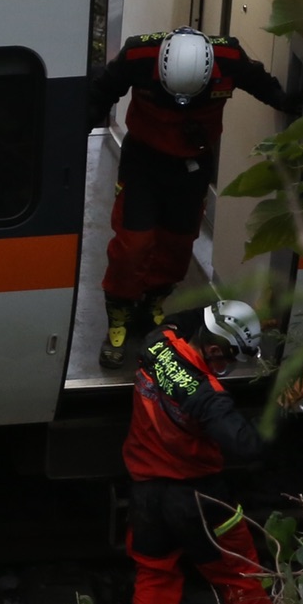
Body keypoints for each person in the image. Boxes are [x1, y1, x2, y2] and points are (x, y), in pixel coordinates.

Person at [87, 26, 288, 368]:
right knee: (132, 245)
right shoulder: (137, 55)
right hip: (143, 163)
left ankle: (153, 302)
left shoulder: (229, 58)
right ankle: (119, 318)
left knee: (178, 243)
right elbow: (101, 91)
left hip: (193, 167)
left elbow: (265, 85)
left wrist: (302, 108)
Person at [122, 298, 276, 604]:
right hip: (199, 499)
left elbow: (181, 317)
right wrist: (284, 405)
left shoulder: (156, 343)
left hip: (145, 493)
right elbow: (247, 445)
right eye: (227, 357)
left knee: (154, 572)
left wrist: (229, 315)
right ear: (211, 349)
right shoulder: (207, 396)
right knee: (239, 571)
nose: (226, 367)